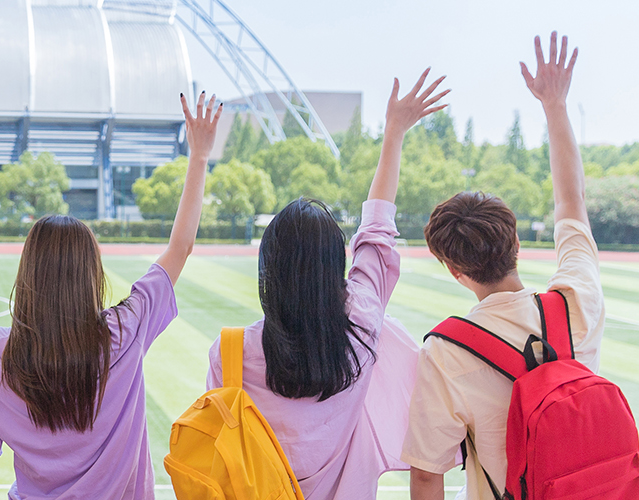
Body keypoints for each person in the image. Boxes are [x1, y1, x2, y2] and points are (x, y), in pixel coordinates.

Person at [0, 92, 219, 500]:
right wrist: (199, 157)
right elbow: (179, 248)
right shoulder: (125, 329)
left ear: (29, 276)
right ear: (91, 275)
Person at [205, 69, 449, 499]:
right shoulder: (363, 324)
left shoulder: (230, 354)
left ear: (269, 270)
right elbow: (376, 229)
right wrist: (393, 132)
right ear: (335, 264)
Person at [405, 33, 600, 500]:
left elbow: (428, 473)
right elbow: (571, 201)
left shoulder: (446, 351)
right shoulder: (577, 300)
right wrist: (555, 105)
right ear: (516, 242)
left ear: (453, 269)